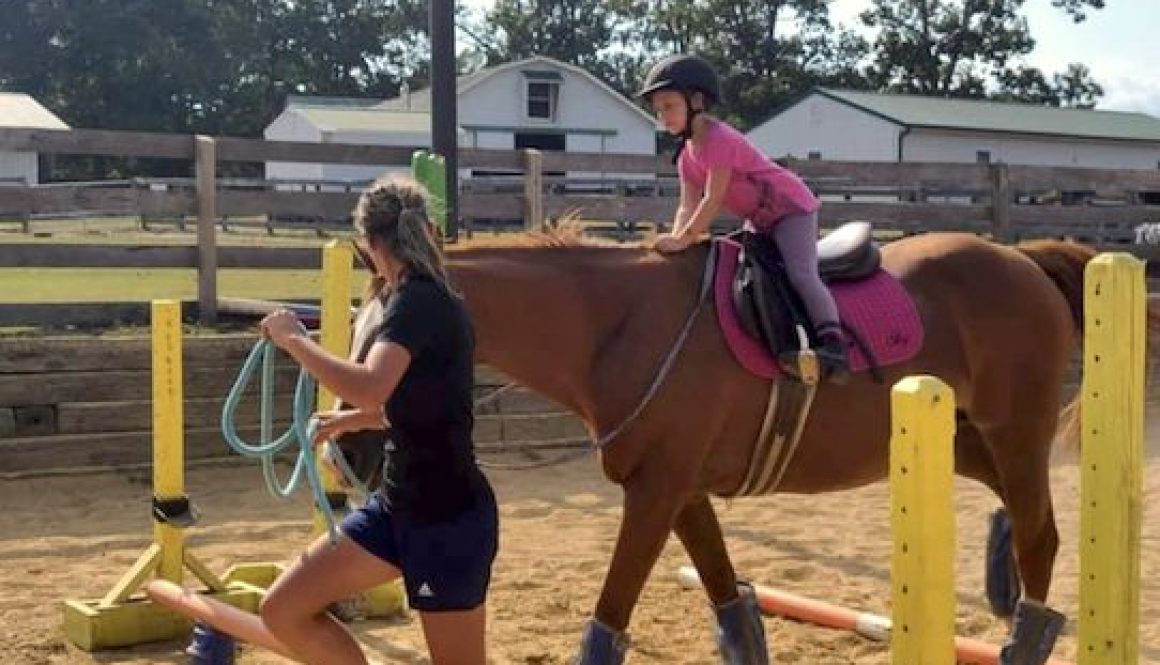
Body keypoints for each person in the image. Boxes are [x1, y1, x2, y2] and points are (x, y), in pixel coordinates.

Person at [257, 175, 498, 665]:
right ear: (428, 231)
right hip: (398, 505)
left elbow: (370, 383)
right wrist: (359, 421)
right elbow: (422, 398)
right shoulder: (417, 298)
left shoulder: (417, 302)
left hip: (445, 518)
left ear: (367, 245)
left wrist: (294, 340)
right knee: (283, 608)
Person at [638, 54, 849, 381]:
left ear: (696, 101)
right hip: (760, 220)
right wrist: (675, 240)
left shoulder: (720, 140)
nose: (662, 115)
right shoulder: (686, 158)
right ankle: (782, 342)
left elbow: (714, 198)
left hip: (791, 209)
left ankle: (835, 346)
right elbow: (687, 206)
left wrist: (686, 237)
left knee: (801, 273)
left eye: (668, 105)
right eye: (658, 109)